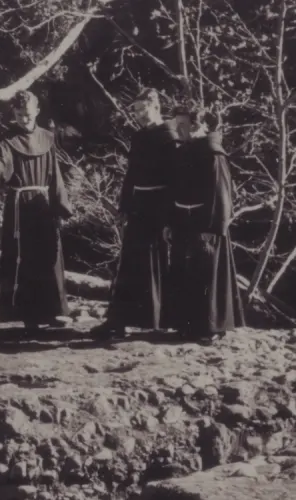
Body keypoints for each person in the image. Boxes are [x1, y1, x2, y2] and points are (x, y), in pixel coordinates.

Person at [91, 89, 179, 340]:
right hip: (138, 205)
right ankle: (118, 321)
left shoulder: (169, 135)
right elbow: (131, 174)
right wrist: (124, 206)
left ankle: (158, 321)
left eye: (143, 109)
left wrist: (170, 217)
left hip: (159, 206)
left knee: (158, 261)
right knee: (129, 263)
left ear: (156, 107)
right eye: (135, 110)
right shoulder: (139, 137)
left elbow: (176, 180)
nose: (138, 115)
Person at [0, 90, 72, 334]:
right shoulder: (7, 140)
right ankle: (29, 315)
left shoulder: (48, 137)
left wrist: (60, 204)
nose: (24, 119)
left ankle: (56, 311)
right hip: (20, 206)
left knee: (51, 257)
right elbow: (0, 160)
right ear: (14, 113)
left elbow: (55, 173)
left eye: (28, 114)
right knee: (26, 259)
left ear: (37, 111)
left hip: (44, 203)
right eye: (20, 115)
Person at [167, 105, 245, 342]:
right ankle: (187, 325)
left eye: (181, 125)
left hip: (206, 225)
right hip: (183, 221)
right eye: (175, 125)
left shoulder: (213, 153)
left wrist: (214, 229)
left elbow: (222, 193)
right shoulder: (183, 150)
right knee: (184, 273)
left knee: (207, 275)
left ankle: (211, 328)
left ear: (196, 125)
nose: (176, 130)